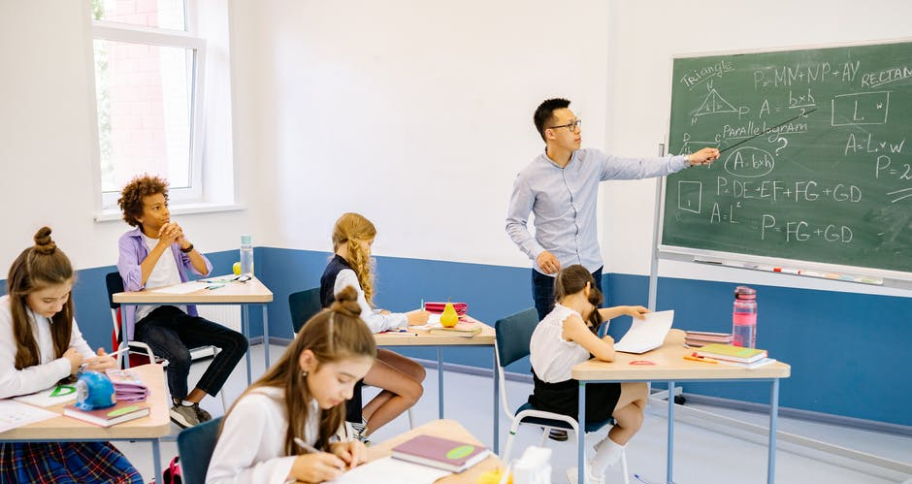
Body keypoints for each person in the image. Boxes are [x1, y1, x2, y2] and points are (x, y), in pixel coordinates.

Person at [506, 97, 721, 322]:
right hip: (552, 278)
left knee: (591, 347)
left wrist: (687, 160)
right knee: (555, 347)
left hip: (590, 273)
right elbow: (514, 223)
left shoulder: (592, 161)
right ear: (550, 133)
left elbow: (638, 167)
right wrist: (537, 252)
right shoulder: (530, 176)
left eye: (577, 123)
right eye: (570, 126)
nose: (577, 130)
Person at [0, 227, 142, 484]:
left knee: (129, 478)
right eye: (47, 300)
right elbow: (4, 384)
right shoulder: (4, 316)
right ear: (22, 292)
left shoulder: (60, 310)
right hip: (18, 437)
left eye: (64, 296)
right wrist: (66, 366)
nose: (57, 306)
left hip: (60, 422)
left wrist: (103, 366)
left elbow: (81, 354)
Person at [116, 174, 248, 428]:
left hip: (178, 316)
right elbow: (133, 283)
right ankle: (181, 406)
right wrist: (161, 245)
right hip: (147, 322)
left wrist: (184, 244)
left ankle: (188, 404)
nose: (165, 212)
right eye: (156, 208)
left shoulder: (175, 241)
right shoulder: (128, 243)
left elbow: (204, 269)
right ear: (139, 216)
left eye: (164, 205)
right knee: (180, 356)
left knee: (236, 341)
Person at [207, 286, 374, 484]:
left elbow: (309, 445)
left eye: (355, 383)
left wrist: (335, 449)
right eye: (343, 380)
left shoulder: (318, 398)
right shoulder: (256, 409)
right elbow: (217, 481)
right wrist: (291, 467)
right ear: (308, 361)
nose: (348, 394)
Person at [528, 264, 650, 484]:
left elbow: (594, 318)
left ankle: (593, 471)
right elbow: (607, 354)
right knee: (640, 387)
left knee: (634, 418)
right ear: (587, 288)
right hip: (566, 402)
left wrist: (624, 309)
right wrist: (607, 341)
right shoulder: (572, 321)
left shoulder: (557, 316)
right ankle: (602, 456)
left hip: (546, 396)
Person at [319, 212, 428, 439]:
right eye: (369, 243)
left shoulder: (337, 268)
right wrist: (407, 318)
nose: (370, 249)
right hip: (346, 355)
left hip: (351, 347)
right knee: (413, 390)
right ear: (355, 239)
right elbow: (366, 324)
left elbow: (355, 313)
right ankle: (357, 435)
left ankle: (357, 425)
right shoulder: (345, 274)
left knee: (416, 372)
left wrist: (377, 313)